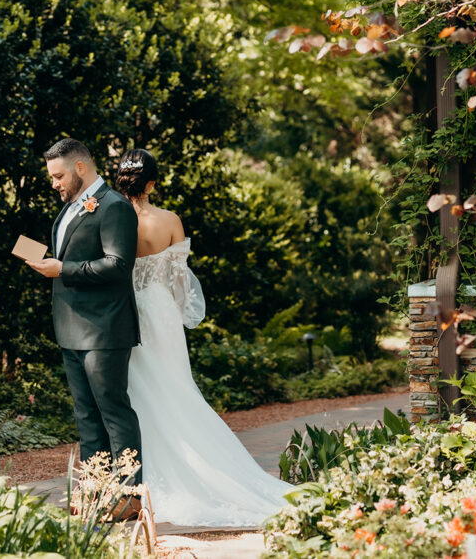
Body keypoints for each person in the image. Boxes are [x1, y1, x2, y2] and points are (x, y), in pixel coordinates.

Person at [115, 148, 293, 527]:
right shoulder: (170, 220)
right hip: (160, 313)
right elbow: (179, 280)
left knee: (136, 392)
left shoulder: (113, 219)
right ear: (152, 182)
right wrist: (174, 311)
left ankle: (139, 476)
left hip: (127, 312)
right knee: (176, 386)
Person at [26, 138, 143, 521]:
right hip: (71, 327)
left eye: (58, 175)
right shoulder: (69, 209)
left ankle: (128, 496)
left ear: (81, 168)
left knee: (113, 412)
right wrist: (49, 263)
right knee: (86, 416)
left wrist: (63, 270)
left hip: (105, 328)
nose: (54, 183)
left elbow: (118, 265)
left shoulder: (114, 206)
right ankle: (95, 490)